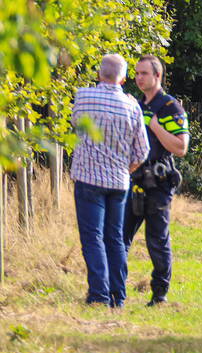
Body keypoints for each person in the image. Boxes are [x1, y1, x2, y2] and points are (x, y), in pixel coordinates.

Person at [70, 54, 150, 307]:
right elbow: (142, 151)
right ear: (124, 79)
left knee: (92, 237)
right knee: (114, 238)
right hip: (118, 181)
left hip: (88, 178)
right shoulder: (132, 106)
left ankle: (98, 294)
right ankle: (118, 295)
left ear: (98, 74)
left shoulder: (82, 96)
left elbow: (76, 126)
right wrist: (126, 169)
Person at [123, 55, 190, 307]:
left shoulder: (170, 106)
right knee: (120, 236)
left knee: (157, 240)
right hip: (133, 180)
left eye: (144, 74)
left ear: (157, 76)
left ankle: (159, 295)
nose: (139, 78)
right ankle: (115, 290)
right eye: (137, 73)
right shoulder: (135, 104)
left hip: (158, 183)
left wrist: (154, 127)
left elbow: (181, 147)